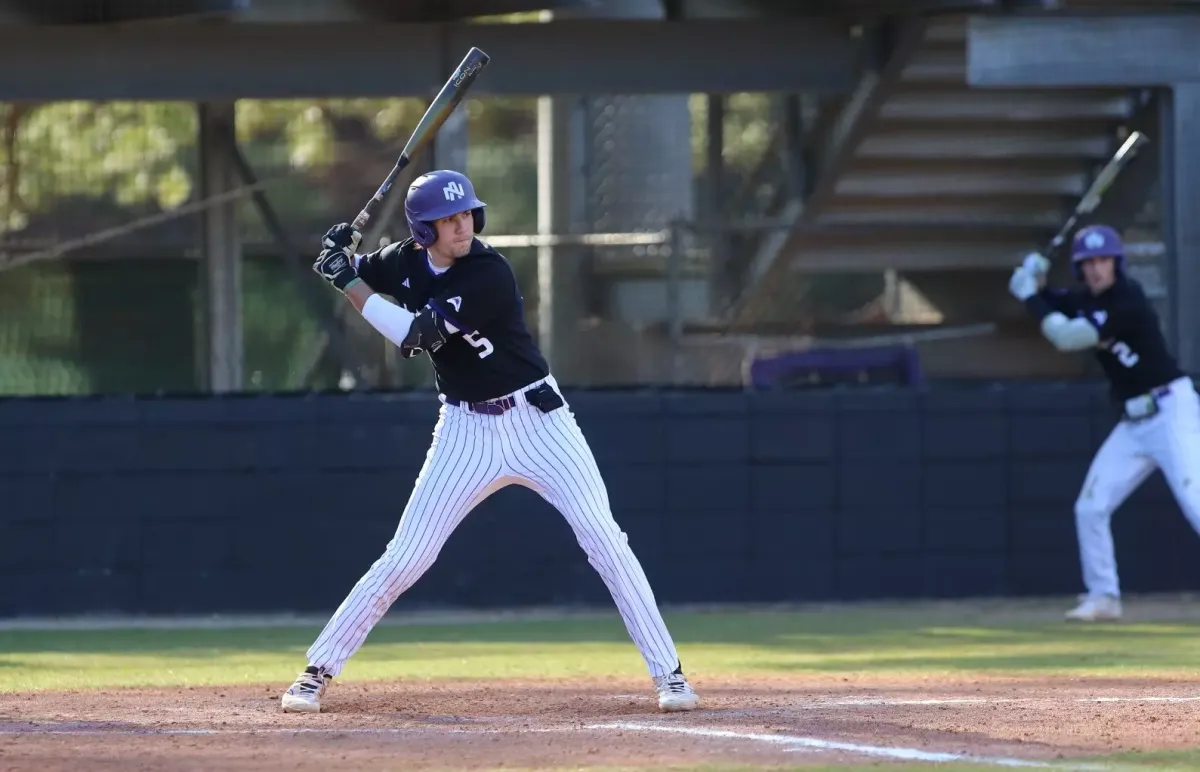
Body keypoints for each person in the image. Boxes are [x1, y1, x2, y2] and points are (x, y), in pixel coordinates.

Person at [280, 169, 699, 713]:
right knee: (407, 556)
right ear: (423, 231)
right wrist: (341, 258)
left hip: (538, 422)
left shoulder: (487, 273)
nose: (462, 227)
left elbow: (414, 334)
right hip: (464, 429)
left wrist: (347, 281)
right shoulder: (403, 260)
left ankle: (670, 675)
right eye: (448, 220)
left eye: (466, 215)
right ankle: (318, 669)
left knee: (604, 538)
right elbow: (360, 270)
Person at [1009, 224, 1200, 621]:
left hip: (1170, 410)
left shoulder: (1127, 299)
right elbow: (1051, 303)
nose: (1098, 269)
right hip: (1134, 421)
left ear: (1117, 263)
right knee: (1090, 508)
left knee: (1196, 504)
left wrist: (1030, 297)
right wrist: (1032, 280)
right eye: (1089, 262)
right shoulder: (1082, 300)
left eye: (1104, 260)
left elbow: (1067, 337)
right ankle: (1104, 597)